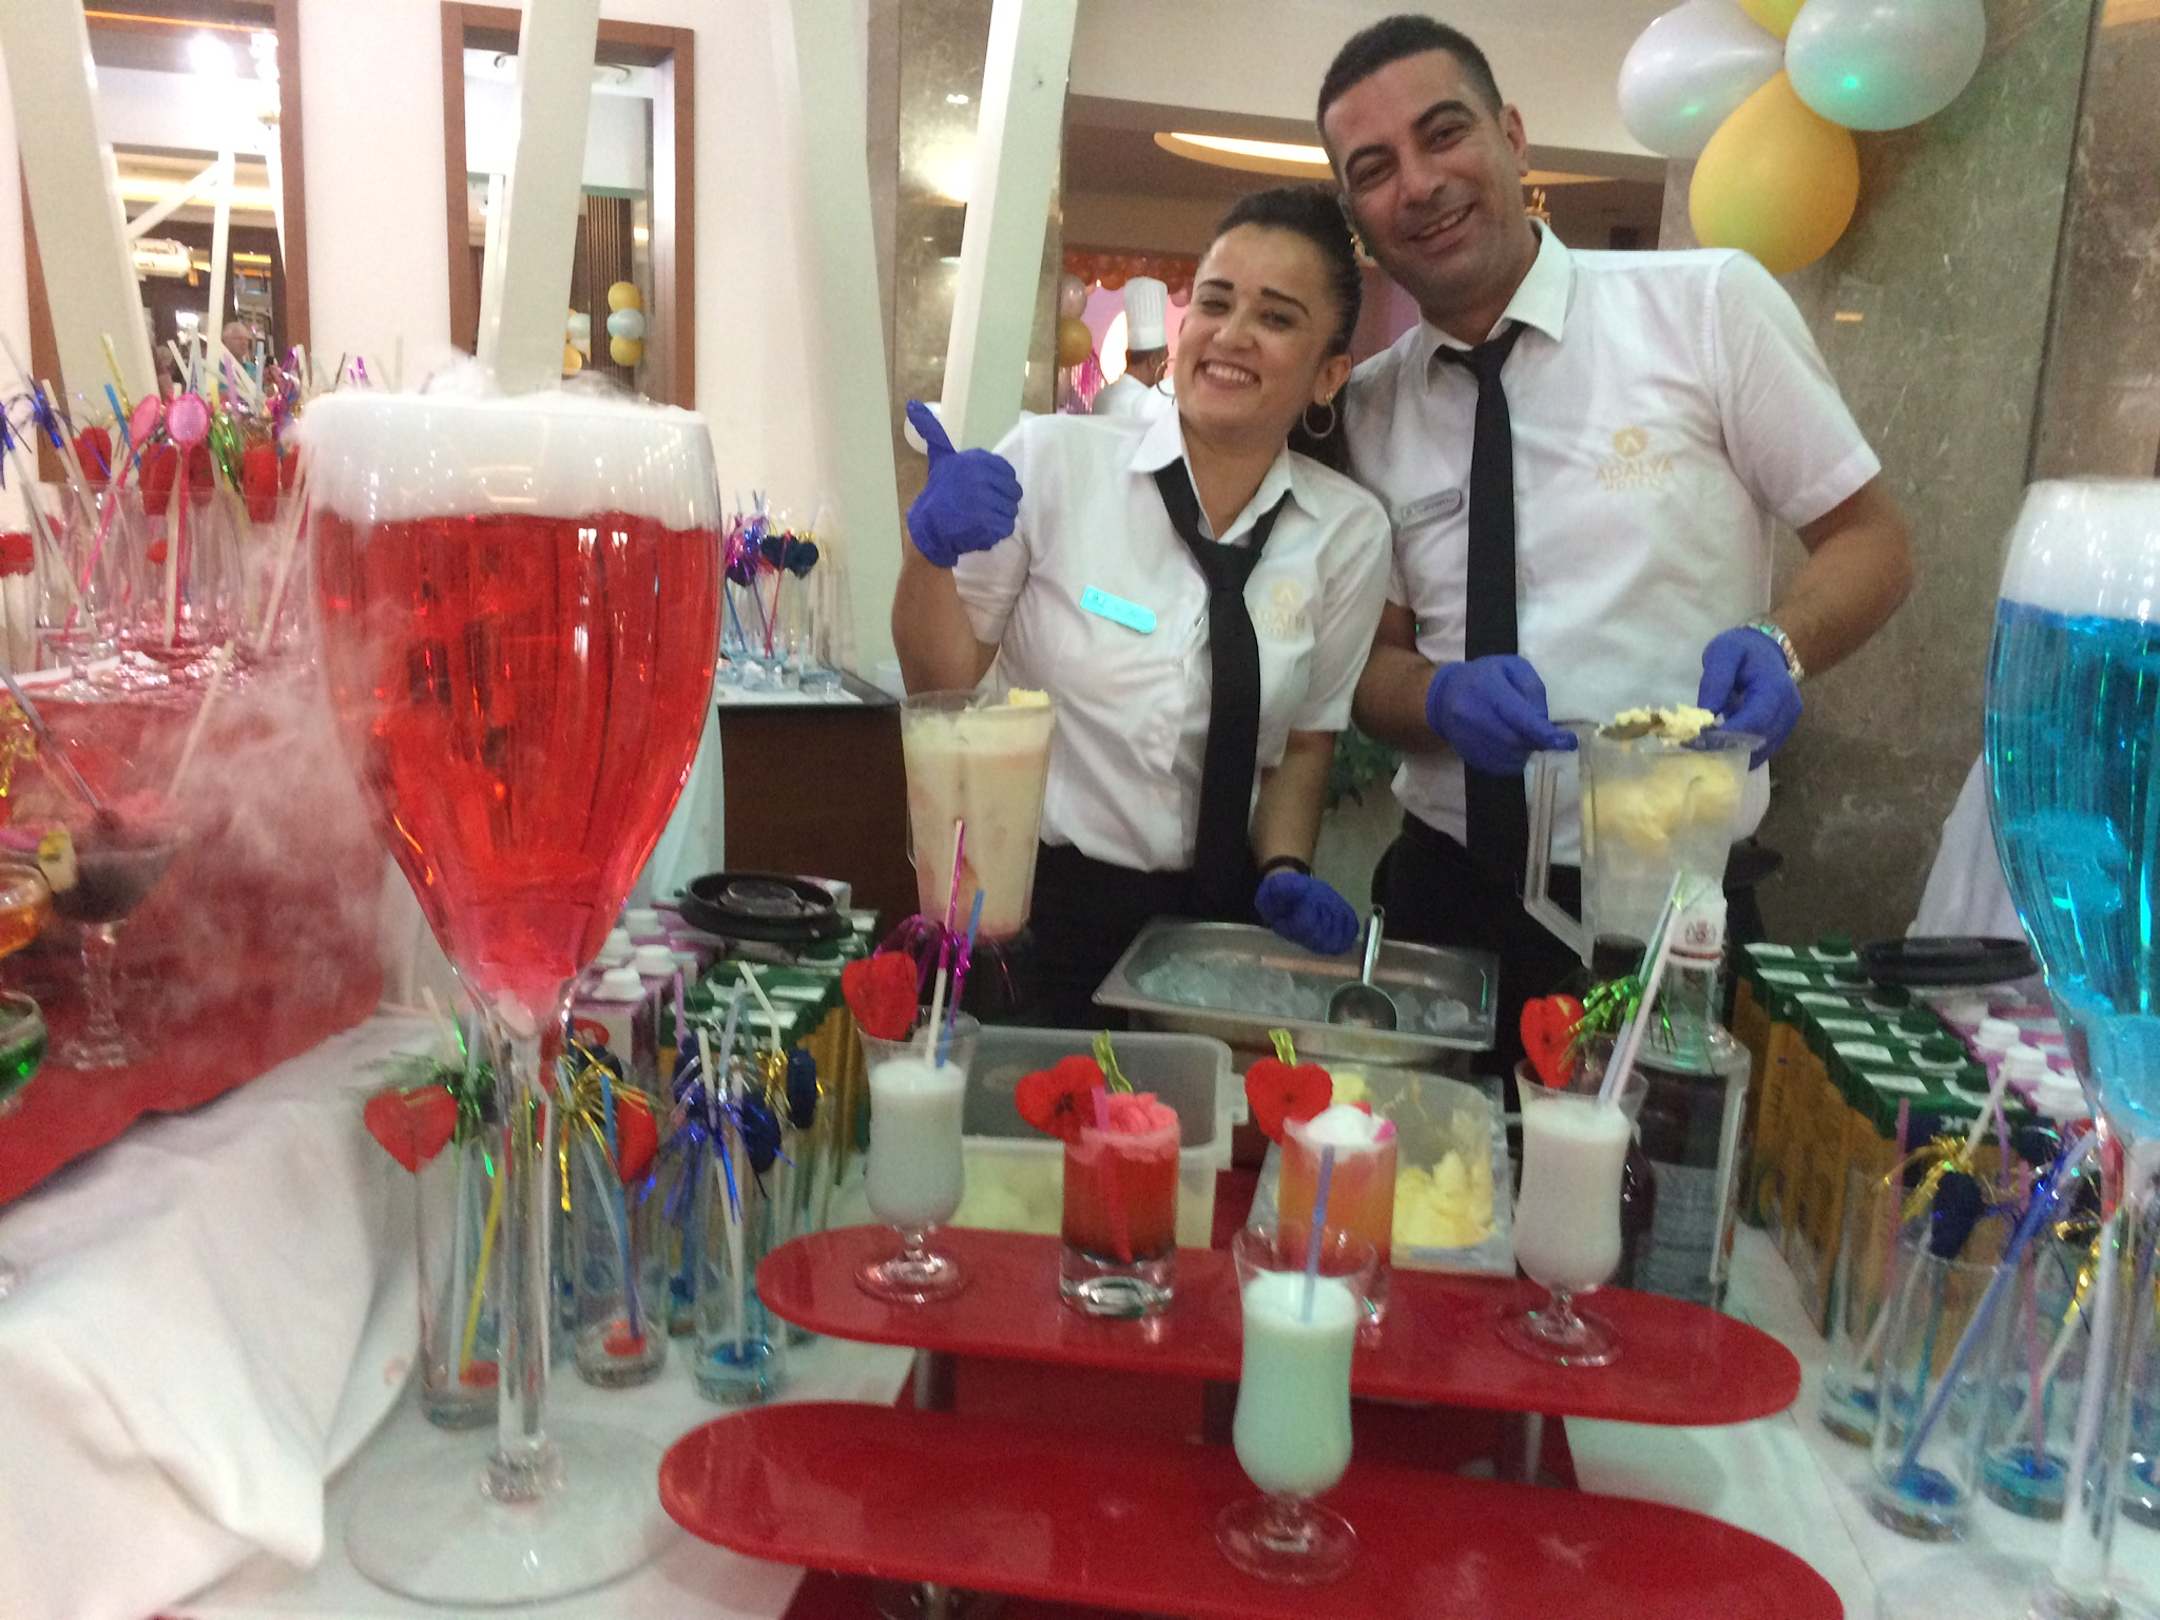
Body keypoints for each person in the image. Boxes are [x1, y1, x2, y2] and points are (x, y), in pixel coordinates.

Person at [1316, 16, 1914, 1072]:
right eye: (1374, 170)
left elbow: (1871, 541)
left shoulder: (1705, 306)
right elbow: (1373, 671)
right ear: (1357, 216)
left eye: (1444, 133)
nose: (1418, 184)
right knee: (1424, 1171)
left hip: (1669, 910)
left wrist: (1783, 645)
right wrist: (1438, 701)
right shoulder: (1367, 409)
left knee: (1662, 1176)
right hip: (1443, 901)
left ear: (1512, 136)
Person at [893, 186, 1391, 1025]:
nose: (1231, 334)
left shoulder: (1349, 531)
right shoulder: (1055, 461)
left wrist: (1284, 869)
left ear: (1328, 375)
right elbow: (939, 683)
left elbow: (1305, 743)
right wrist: (929, 552)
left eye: (1276, 318)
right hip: (1033, 915)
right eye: (1216, 303)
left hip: (1214, 936)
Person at [1092, 276, 1173, 422]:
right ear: (1153, 361)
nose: (1166, 367)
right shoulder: (1150, 403)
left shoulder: (1101, 398)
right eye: (1164, 360)